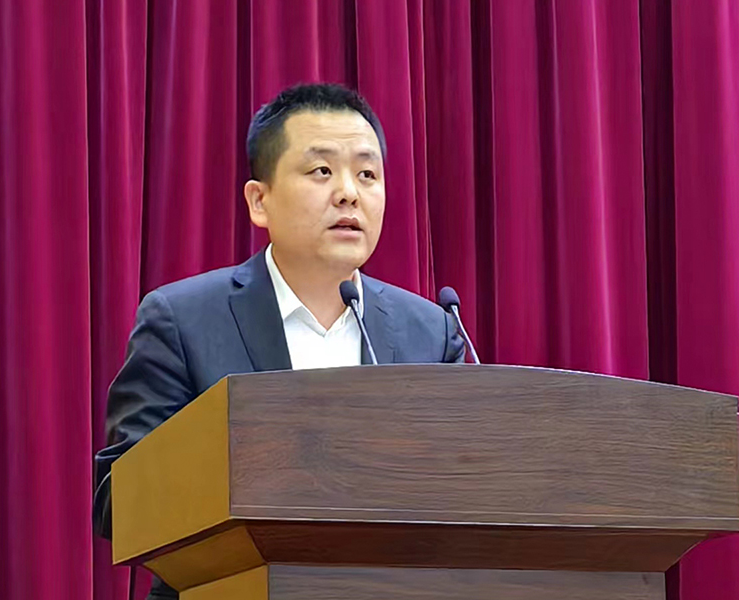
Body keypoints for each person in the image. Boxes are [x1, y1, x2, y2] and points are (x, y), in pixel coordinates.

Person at [93, 83, 465, 598]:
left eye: (367, 174)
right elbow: (119, 501)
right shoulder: (181, 320)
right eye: (321, 171)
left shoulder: (432, 331)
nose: (349, 193)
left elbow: (465, 490)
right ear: (259, 201)